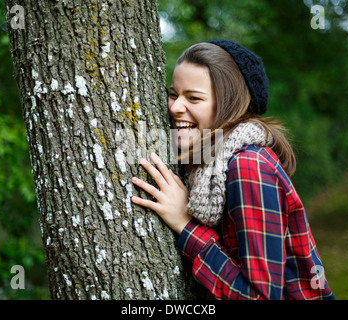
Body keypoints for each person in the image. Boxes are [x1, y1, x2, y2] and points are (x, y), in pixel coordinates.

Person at [130, 40, 335, 300]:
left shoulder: (249, 166)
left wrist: (185, 224)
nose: (174, 107)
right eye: (173, 94)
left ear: (228, 104)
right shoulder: (200, 157)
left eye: (193, 98)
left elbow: (260, 297)